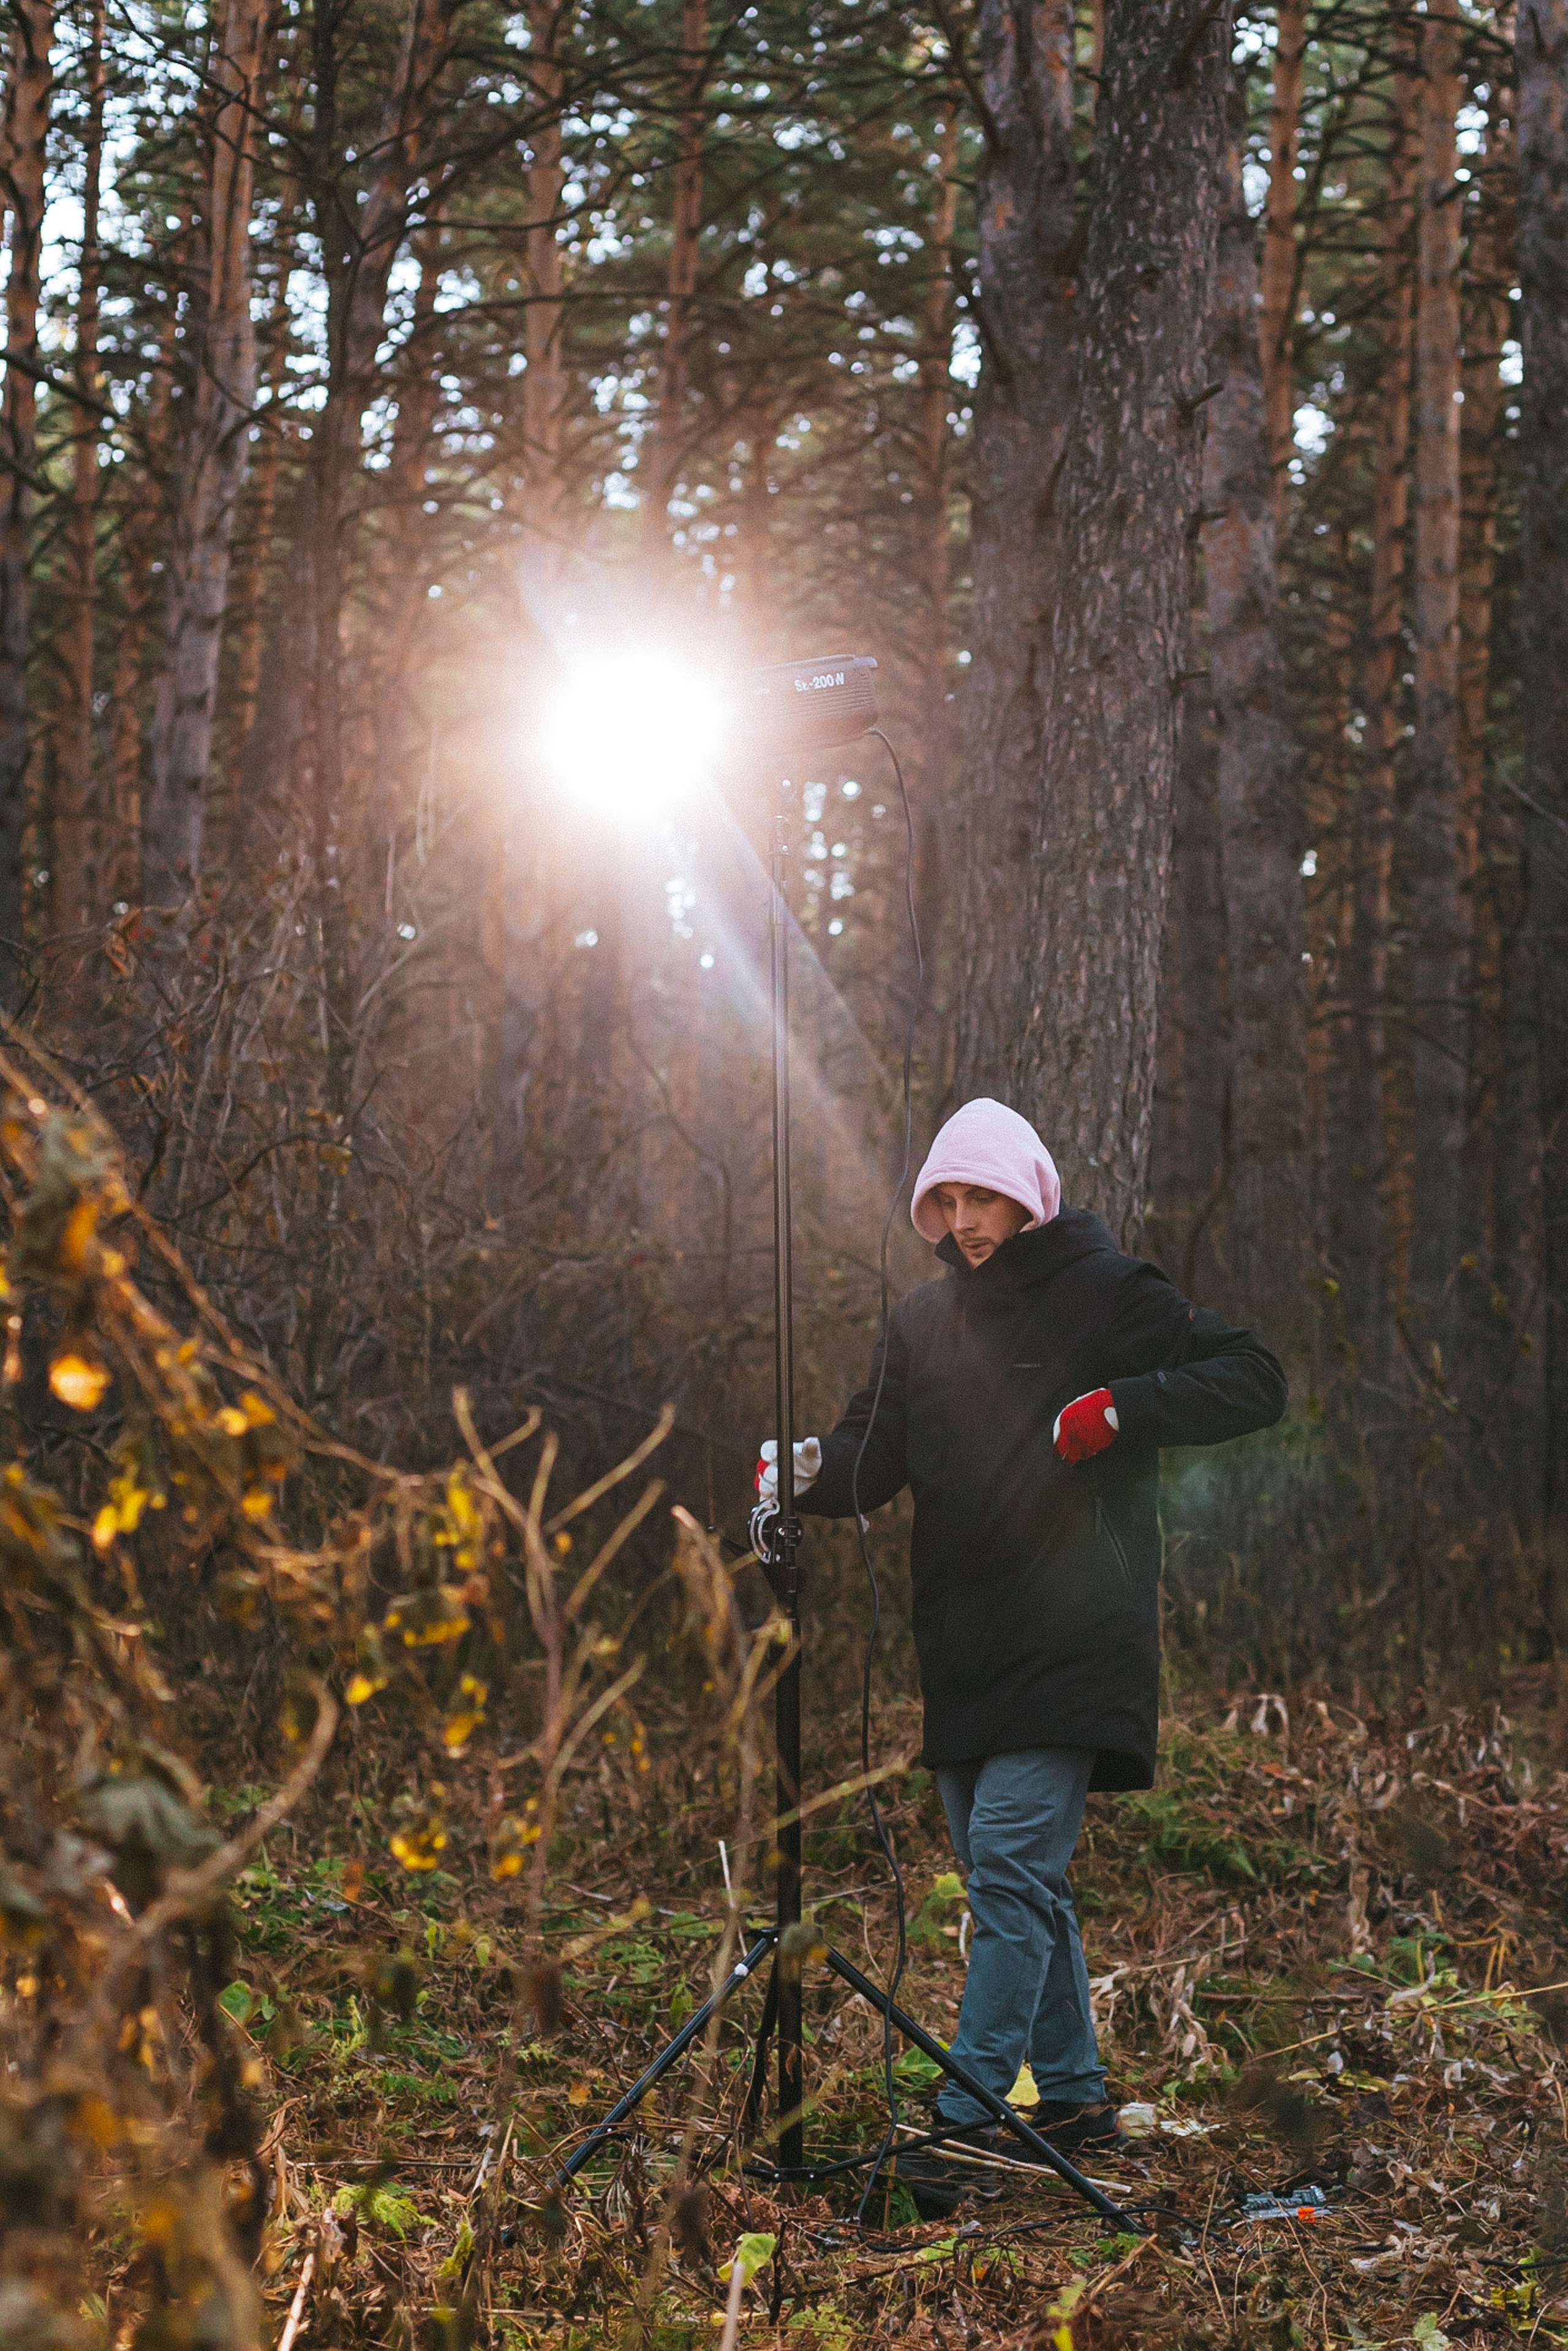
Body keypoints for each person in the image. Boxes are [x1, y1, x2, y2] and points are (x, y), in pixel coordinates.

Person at [754, 1097, 1287, 2172]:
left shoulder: (1108, 1289)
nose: (964, 1220)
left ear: (1028, 1191)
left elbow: (1254, 1378)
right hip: (963, 1642)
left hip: (1077, 1631)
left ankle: (965, 2125)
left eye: (981, 1195)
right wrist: (803, 1466)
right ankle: (1078, 2100)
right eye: (944, 1200)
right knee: (1019, 1879)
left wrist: (1123, 1408)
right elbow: (873, 1455)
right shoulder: (921, 1323)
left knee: (1005, 1865)